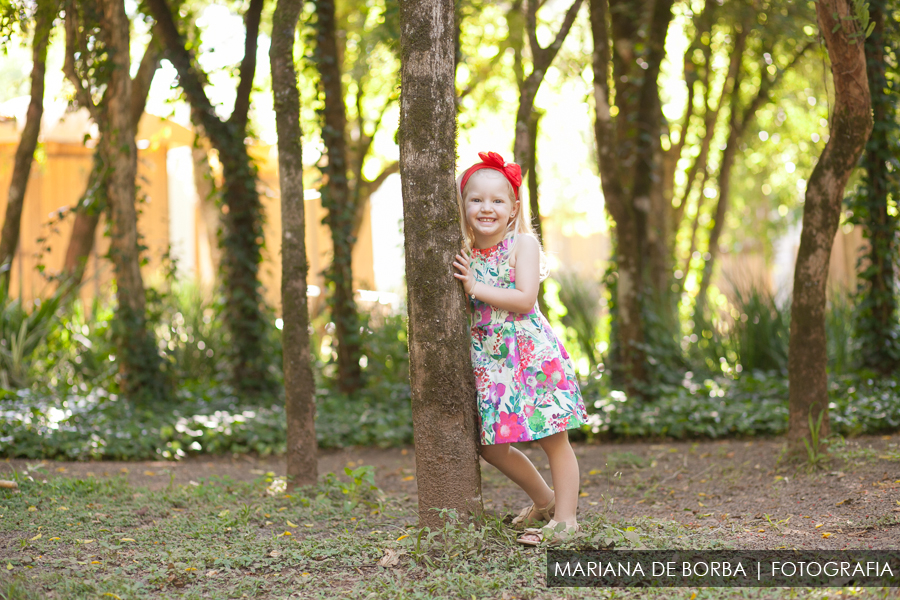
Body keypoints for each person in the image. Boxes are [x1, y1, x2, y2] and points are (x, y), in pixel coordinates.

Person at [451, 151, 588, 546]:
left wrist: (475, 286)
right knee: (490, 446)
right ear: (463, 205)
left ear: (512, 210)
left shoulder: (522, 244)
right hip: (492, 363)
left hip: (530, 357)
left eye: (498, 200)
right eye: (476, 199)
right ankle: (544, 500)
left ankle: (565, 521)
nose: (486, 207)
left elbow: (525, 298)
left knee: (553, 439)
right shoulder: (467, 252)